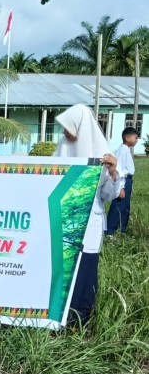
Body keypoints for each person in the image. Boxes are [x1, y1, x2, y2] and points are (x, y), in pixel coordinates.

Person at [55, 104, 120, 327]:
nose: (64, 132)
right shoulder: (62, 148)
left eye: (67, 127)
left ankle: (80, 319)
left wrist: (112, 172)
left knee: (84, 270)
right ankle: (57, 316)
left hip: (90, 224)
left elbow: (108, 195)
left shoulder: (103, 155)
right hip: (62, 223)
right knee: (60, 269)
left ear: (80, 127)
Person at [105, 126, 139, 235]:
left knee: (125, 206)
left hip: (128, 180)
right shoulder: (122, 151)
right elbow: (119, 170)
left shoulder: (126, 150)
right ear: (127, 138)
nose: (136, 140)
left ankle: (121, 229)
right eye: (135, 138)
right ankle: (110, 230)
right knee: (118, 205)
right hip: (123, 181)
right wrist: (121, 187)